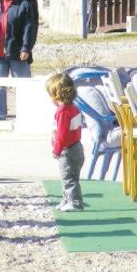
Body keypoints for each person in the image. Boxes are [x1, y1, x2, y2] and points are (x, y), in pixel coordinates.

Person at [46, 73, 84, 212]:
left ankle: (75, 202)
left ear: (57, 95)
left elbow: (62, 134)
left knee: (68, 177)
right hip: (76, 147)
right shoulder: (74, 108)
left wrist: (57, 149)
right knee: (70, 176)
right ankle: (67, 199)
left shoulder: (62, 112)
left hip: (67, 150)